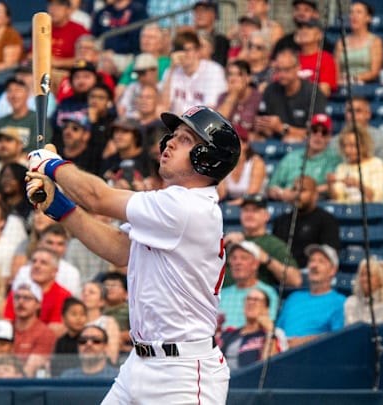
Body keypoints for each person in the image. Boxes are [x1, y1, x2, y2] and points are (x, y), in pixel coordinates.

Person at [25, 105, 239, 402]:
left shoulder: (187, 207)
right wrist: (60, 207)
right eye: (173, 135)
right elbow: (119, 249)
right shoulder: (172, 203)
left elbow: (97, 198)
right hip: (139, 363)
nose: (171, 142)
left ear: (207, 160)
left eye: (187, 139)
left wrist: (50, 164)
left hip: (183, 375)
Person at [223, 194, 302, 288]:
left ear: (266, 216)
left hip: (254, 298)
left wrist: (267, 260)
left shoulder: (273, 244)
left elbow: (295, 280)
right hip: (222, 296)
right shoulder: (229, 240)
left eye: (255, 210)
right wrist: (223, 242)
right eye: (246, 210)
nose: (249, 214)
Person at [276, 244, 345, 348]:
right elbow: (278, 330)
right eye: (312, 261)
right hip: (281, 354)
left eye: (321, 262)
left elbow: (339, 339)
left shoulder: (340, 302)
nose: (314, 265)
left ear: (333, 270)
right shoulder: (294, 298)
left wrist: (304, 341)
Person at [256, 49, 327, 142]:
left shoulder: (313, 92)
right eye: (278, 70)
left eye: (286, 70)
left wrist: (282, 128)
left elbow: (318, 134)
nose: (281, 74)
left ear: (298, 67)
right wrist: (263, 127)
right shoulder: (270, 90)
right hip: (274, 142)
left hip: (304, 145)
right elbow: (260, 123)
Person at [268, 113, 341, 201]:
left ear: (329, 137)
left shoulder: (335, 159)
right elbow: (271, 188)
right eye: (314, 130)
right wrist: (281, 193)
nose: (318, 135)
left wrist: (299, 194)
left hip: (317, 205)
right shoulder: (291, 157)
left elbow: (336, 186)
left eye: (324, 132)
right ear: (307, 133)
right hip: (286, 204)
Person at [272, 175, 341, 268]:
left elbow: (329, 255)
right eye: (294, 189)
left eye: (302, 190)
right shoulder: (281, 220)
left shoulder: (326, 220)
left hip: (311, 272)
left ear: (315, 195)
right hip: (282, 273)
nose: (297, 194)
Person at [4, 248, 73, 336]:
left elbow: (55, 330)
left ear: (54, 271)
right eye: (34, 261)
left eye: (43, 263)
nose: (37, 266)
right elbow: (7, 324)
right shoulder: (17, 293)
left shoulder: (63, 296)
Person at [330, 96, 383, 181]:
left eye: (358, 111)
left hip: (371, 179)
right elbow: (331, 168)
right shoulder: (334, 141)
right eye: (350, 111)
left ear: (368, 114)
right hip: (341, 181)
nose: (353, 115)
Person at [219, 288, 286, 371]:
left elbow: (269, 367)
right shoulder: (229, 333)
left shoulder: (275, 333)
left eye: (256, 300)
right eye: (248, 299)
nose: (251, 302)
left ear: (266, 309)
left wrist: (270, 331)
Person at [160, 32, 226, 115]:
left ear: (198, 51)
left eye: (187, 50)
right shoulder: (171, 71)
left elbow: (210, 109)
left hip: (201, 124)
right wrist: (171, 69)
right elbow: (163, 106)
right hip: (175, 123)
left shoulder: (213, 70)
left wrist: (185, 119)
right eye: (179, 50)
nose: (182, 54)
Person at [217, 241, 279, 329]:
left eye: (244, 258)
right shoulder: (221, 294)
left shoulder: (268, 293)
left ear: (255, 264)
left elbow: (266, 325)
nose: (237, 262)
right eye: (234, 258)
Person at [114, 23, 170, 105]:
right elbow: (120, 91)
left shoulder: (168, 64)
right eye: (144, 37)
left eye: (151, 37)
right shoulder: (134, 64)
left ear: (161, 43)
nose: (146, 40)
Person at [10, 282, 57, 377]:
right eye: (17, 297)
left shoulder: (45, 334)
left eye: (27, 298)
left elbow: (29, 371)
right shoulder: (3, 329)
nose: (21, 302)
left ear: (38, 304)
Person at [328, 128, 383, 203]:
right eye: (345, 146)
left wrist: (357, 184)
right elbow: (337, 198)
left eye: (352, 146)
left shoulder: (376, 163)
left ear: (364, 145)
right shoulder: (341, 167)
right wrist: (330, 185)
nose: (347, 150)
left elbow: (377, 197)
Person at [334, 1, 383, 85]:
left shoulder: (375, 41)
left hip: (364, 86)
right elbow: (336, 70)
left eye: (359, 12)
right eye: (351, 12)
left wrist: (354, 79)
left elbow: (374, 72)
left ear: (368, 18)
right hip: (342, 85)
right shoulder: (341, 42)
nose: (354, 16)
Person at [344, 257, 383, 325]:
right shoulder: (351, 302)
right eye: (362, 275)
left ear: (381, 278)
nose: (364, 279)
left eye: (369, 275)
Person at [0, 77, 34, 157]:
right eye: (9, 91)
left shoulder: (37, 120)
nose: (13, 95)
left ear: (27, 94)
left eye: (18, 90)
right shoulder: (0, 122)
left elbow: (37, 148)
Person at [217, 125, 266, 203]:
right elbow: (221, 194)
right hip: (231, 205)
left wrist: (229, 206)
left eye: (234, 142)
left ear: (245, 144)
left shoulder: (256, 162)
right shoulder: (224, 162)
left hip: (254, 205)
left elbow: (251, 194)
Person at [216, 60, 262, 140]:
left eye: (239, 74)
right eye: (230, 74)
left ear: (248, 78)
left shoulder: (257, 97)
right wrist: (232, 96)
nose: (233, 79)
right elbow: (217, 125)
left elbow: (260, 132)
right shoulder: (223, 97)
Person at [81, 281, 120, 364]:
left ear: (102, 301)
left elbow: (112, 356)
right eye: (83, 291)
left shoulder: (109, 322)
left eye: (91, 292)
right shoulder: (73, 322)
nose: (85, 294)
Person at [295, 18, 337, 96]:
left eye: (309, 27)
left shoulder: (326, 58)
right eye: (301, 28)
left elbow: (325, 90)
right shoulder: (291, 58)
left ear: (319, 35)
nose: (303, 31)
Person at [48, 0, 90, 70]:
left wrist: (59, 63)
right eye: (51, 6)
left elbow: (84, 61)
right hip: (44, 70)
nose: (53, 11)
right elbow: (30, 54)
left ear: (68, 10)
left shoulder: (79, 30)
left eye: (58, 8)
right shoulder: (44, 28)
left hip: (69, 73)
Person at [51, 297, 87, 376]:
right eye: (74, 314)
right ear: (63, 318)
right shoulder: (60, 341)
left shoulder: (88, 340)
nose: (79, 318)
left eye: (82, 314)